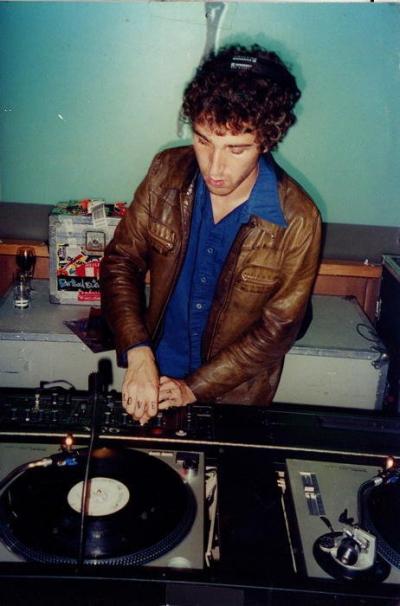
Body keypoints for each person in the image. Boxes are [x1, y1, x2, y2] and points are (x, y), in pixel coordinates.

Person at [100, 44, 321, 425]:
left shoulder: (300, 218)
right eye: (204, 140)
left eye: (236, 149)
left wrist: (194, 388)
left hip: (234, 396)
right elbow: (121, 262)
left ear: (267, 140)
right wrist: (137, 351)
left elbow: (279, 329)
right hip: (153, 374)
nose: (215, 167)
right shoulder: (164, 172)